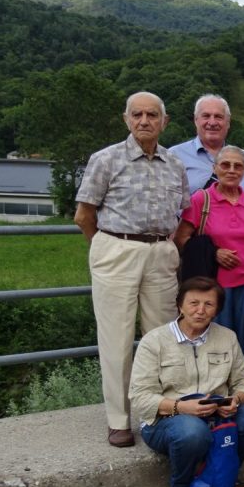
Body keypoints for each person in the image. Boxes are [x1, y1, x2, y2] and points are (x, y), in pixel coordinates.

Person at [75, 91, 189, 447]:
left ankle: (160, 410)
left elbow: (183, 212)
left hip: (159, 251)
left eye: (152, 115)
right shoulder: (105, 159)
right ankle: (118, 419)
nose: (144, 121)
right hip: (116, 248)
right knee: (117, 338)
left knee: (162, 337)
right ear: (126, 119)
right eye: (137, 114)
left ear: (164, 122)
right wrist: (105, 247)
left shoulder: (175, 164)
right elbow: (83, 215)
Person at [130, 277, 244, 487]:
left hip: (217, 415)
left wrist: (236, 400)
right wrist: (181, 407)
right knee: (192, 431)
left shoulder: (227, 337)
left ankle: (220, 468)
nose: (200, 310)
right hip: (169, 419)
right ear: (180, 305)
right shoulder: (154, 341)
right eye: (193, 303)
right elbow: (140, 397)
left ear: (217, 309)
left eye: (209, 304)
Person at [173, 146, 244, 389]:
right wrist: (213, 253)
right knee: (215, 346)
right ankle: (216, 399)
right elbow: (182, 238)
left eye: (238, 166)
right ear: (215, 168)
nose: (232, 170)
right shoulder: (201, 200)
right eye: (225, 165)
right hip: (215, 289)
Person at [169, 94, 244, 194]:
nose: (212, 122)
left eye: (218, 117)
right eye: (206, 116)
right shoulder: (174, 156)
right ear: (196, 120)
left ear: (228, 123)